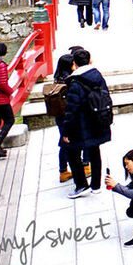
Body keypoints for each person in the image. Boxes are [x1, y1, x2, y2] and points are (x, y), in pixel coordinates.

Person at [61, 48, 112, 199]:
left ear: (74, 64)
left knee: (72, 152)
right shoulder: (97, 76)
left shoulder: (75, 82)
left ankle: (81, 184)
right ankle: (96, 185)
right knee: (94, 151)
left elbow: (71, 110)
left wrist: (66, 131)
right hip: (97, 120)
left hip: (81, 124)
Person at [53, 48, 89, 183]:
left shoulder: (57, 78)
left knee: (64, 142)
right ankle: (84, 165)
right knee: (79, 139)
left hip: (60, 115)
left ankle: (63, 170)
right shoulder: (70, 81)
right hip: (70, 116)